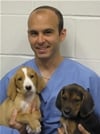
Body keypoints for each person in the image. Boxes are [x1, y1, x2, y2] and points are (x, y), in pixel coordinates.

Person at [0, 5, 100, 134]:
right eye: (34, 33)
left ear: (62, 34)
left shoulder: (87, 79)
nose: (40, 40)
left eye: (48, 32)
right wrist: (14, 132)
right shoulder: (13, 78)